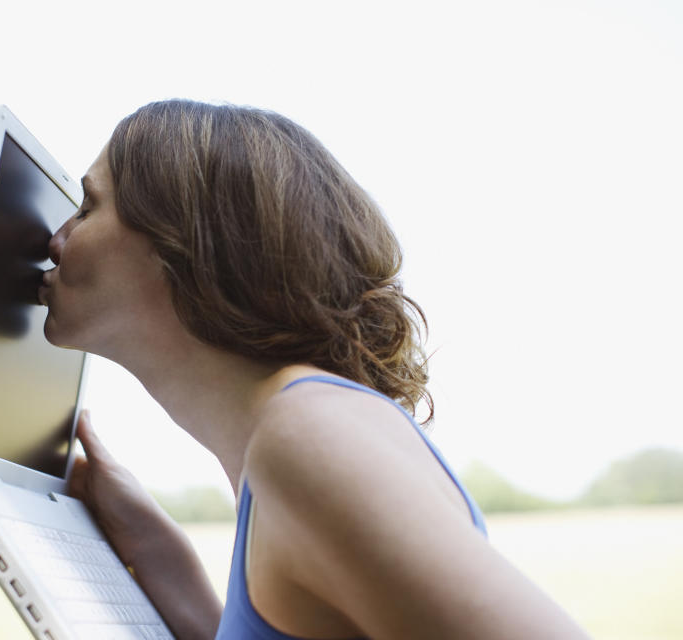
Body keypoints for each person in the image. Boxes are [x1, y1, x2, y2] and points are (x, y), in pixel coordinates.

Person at [37, 100, 590, 640]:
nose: (55, 239)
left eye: (87, 207)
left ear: (182, 240)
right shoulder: (291, 435)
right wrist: (161, 555)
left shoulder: (306, 436)